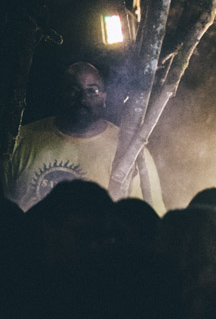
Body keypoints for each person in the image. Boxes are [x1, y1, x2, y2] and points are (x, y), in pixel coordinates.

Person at [3, 62, 165, 213]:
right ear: (60, 93)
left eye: (92, 90)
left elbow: (151, 217)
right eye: (73, 90)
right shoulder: (20, 141)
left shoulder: (130, 150)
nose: (83, 99)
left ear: (104, 97)